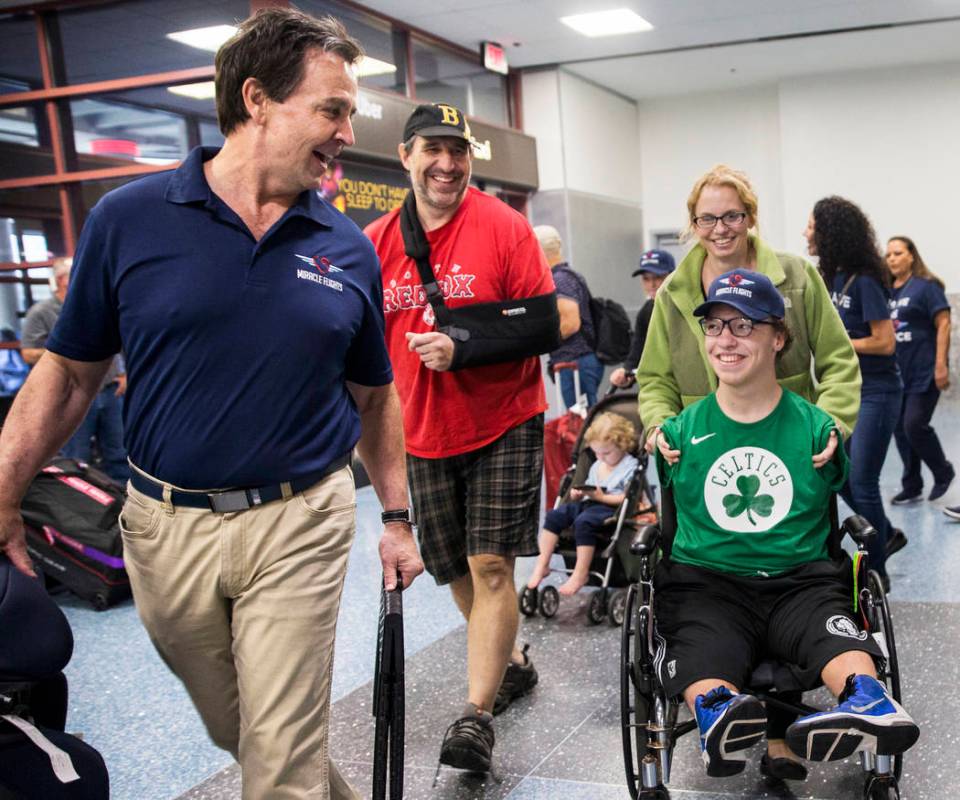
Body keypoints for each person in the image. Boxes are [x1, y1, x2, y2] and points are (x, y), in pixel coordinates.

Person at [0, 10, 424, 800]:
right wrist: (1, 495)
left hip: (301, 520)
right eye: (331, 110)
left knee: (279, 761)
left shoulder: (345, 246)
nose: (345, 131)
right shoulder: (129, 220)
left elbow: (374, 397)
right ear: (257, 99)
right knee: (249, 732)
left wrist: (397, 520)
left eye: (349, 114)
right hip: (165, 531)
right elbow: (66, 378)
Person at [654, 269, 919, 780]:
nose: (725, 340)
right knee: (701, 642)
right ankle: (719, 712)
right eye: (714, 327)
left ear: (778, 338)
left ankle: (868, 701)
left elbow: (843, 475)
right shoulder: (679, 433)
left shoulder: (817, 429)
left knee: (835, 635)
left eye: (743, 326)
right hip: (710, 582)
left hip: (801, 580)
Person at [365, 102, 553, 773]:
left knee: (492, 564)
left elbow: (546, 324)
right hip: (419, 429)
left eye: (459, 151)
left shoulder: (505, 227)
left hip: (504, 418)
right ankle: (514, 661)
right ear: (407, 156)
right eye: (433, 150)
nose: (447, 164)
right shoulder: (375, 242)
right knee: (454, 567)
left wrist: (464, 343)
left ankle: (475, 716)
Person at [637, 164, 861, 458]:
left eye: (731, 216)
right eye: (707, 218)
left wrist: (828, 423)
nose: (720, 229)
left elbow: (839, 361)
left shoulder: (797, 276)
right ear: (694, 224)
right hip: (703, 449)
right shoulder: (673, 293)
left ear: (750, 217)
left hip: (790, 444)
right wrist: (660, 425)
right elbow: (655, 378)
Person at [805, 197, 904, 576]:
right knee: (837, 472)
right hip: (845, 389)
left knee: (862, 481)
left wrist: (841, 342)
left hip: (877, 391)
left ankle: (876, 574)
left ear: (830, 232)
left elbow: (885, 342)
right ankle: (887, 533)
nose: (805, 233)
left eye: (811, 226)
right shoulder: (828, 278)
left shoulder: (864, 282)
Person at [20, 257, 129, 485]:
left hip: (110, 391)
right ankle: (85, 510)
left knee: (119, 452)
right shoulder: (41, 312)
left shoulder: (94, 306)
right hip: (72, 392)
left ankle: (119, 502)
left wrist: (122, 373)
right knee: (77, 456)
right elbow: (28, 353)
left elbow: (115, 341)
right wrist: (72, 354)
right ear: (62, 280)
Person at [526, 411, 639, 595]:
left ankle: (580, 573)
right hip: (589, 503)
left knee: (583, 522)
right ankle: (542, 563)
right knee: (555, 515)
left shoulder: (629, 465)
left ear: (622, 444)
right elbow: (588, 486)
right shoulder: (597, 464)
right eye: (596, 452)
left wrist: (602, 498)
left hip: (611, 508)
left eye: (606, 452)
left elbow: (628, 498)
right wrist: (578, 493)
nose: (601, 457)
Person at [883, 237, 955, 511]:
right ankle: (911, 484)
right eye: (888, 254)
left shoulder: (926, 288)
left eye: (898, 253)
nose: (891, 259)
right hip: (898, 373)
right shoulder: (888, 291)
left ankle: (943, 471)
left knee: (914, 424)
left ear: (912, 256)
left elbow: (944, 323)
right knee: (900, 430)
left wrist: (941, 365)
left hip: (924, 370)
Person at [534, 224, 603, 407]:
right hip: (577, 362)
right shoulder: (568, 276)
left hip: (574, 363)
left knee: (579, 423)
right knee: (582, 418)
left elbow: (571, 324)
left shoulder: (560, 280)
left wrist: (539, 340)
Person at [610, 249, 675, 388]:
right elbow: (638, 346)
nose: (651, 284)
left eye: (657, 277)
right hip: (660, 383)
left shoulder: (685, 305)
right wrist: (626, 370)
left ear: (672, 276)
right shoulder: (645, 311)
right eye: (646, 278)